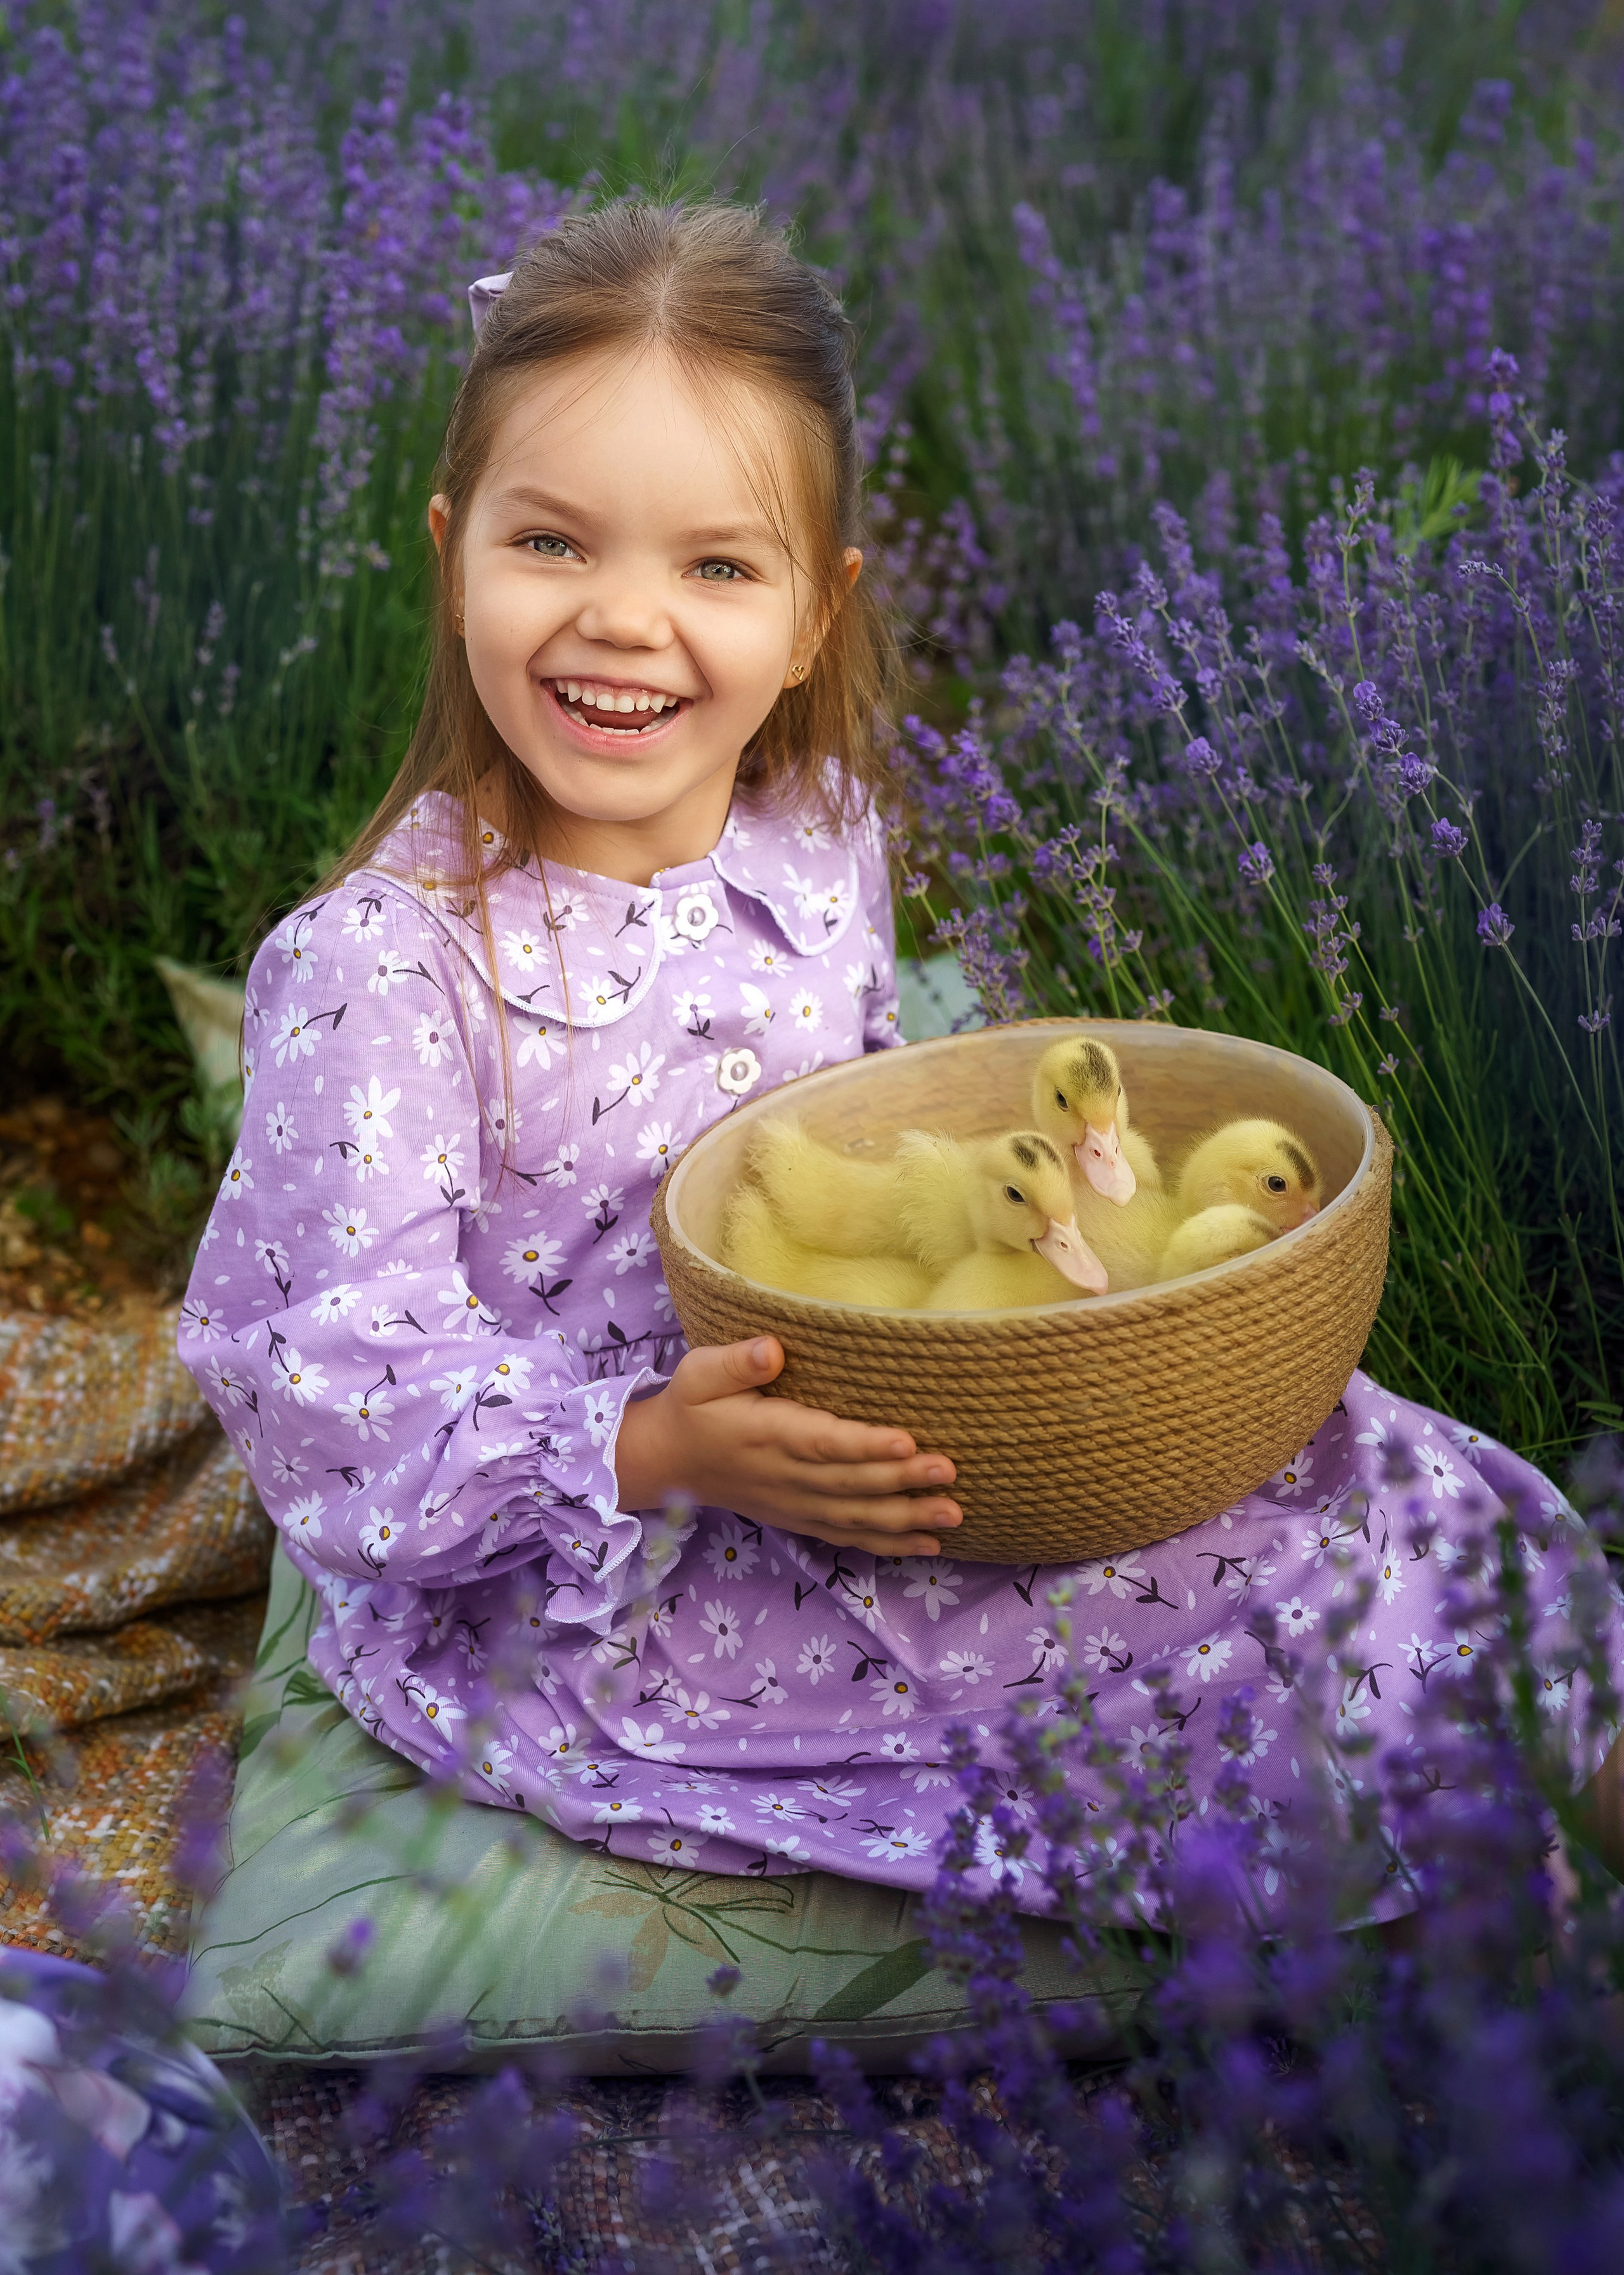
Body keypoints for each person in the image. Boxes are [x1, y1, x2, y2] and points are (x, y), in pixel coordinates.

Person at [179, 198, 1624, 1911]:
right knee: (1208, 1644)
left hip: (908, 1409)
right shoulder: (389, 967)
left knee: (1383, 1471)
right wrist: (647, 1446)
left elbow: (885, 1127)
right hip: (613, 1560)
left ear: (810, 613)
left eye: (715, 565)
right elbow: (322, 1398)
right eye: (553, 543)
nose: (626, 620)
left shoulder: (817, 835)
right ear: (451, 550)